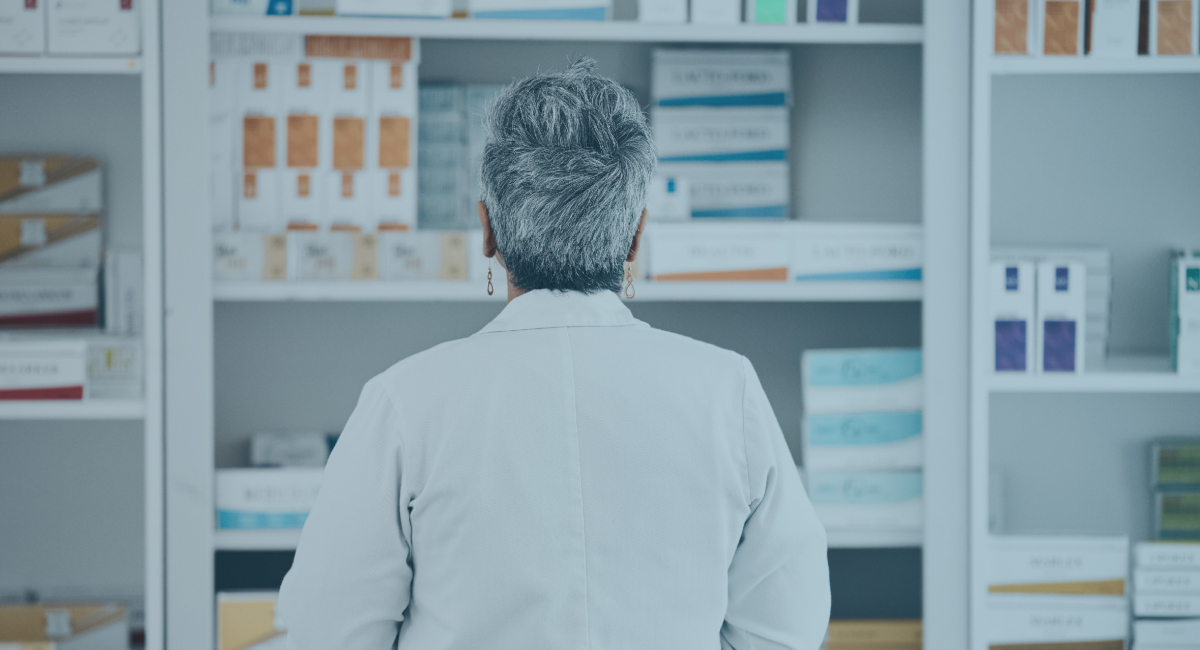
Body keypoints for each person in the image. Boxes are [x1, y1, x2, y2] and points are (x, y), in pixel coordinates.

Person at [278, 58, 830, 649]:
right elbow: (784, 629)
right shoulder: (727, 391)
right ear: (636, 237)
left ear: (487, 232)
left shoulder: (404, 401)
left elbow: (326, 633)